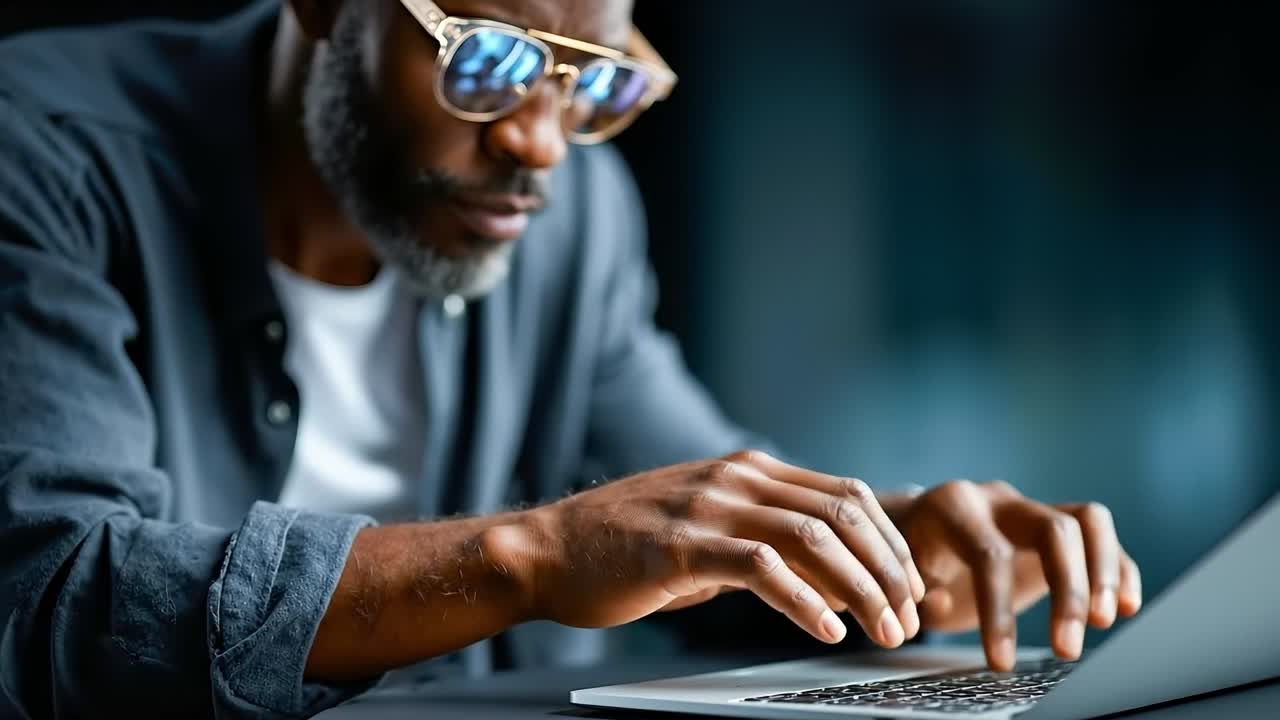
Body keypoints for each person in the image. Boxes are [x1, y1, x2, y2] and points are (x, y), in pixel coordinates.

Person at [0, 0, 1143, 717]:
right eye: (486, 61)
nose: (539, 145)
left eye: (591, 78)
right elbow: (50, 598)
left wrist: (884, 551)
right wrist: (530, 557)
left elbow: (686, 514)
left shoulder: (573, 219)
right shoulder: (43, 152)